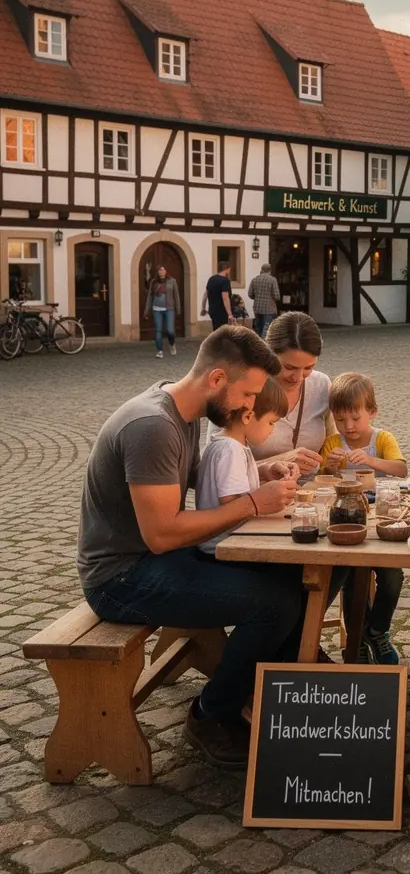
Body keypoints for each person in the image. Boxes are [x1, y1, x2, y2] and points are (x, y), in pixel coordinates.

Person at [77, 326, 301, 768]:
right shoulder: (153, 426)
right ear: (217, 379)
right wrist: (253, 503)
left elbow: (188, 474)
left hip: (155, 559)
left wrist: (260, 471)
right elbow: (161, 533)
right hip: (121, 578)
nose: (247, 406)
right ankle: (210, 716)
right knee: (275, 604)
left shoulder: (182, 409)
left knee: (289, 577)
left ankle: (270, 689)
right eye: (247, 393)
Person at [321, 372, 408, 664]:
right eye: (341, 420)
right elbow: (320, 481)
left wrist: (371, 460)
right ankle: (356, 640)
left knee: (392, 576)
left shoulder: (382, 438)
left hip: (382, 521)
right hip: (348, 520)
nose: (349, 427)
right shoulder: (333, 442)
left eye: (355, 419)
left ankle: (377, 630)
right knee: (350, 576)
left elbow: (400, 470)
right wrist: (329, 468)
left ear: (371, 412)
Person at [196, 376, 291, 555]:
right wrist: (267, 498)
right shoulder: (231, 450)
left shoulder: (229, 445)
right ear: (248, 416)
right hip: (224, 547)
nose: (272, 430)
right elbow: (232, 506)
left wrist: (263, 472)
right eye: (271, 423)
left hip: (230, 542)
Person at [233, 312, 335, 476]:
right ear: (269, 352)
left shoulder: (322, 385)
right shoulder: (242, 388)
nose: (299, 378)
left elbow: (335, 444)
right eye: (289, 367)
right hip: (254, 495)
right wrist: (281, 461)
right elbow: (216, 468)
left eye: (309, 368)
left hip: (313, 496)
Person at [143, 264, 182, 359]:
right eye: (160, 270)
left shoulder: (172, 281)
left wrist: (178, 308)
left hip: (169, 309)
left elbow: (176, 295)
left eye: (163, 270)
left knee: (170, 331)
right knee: (158, 330)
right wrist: (147, 309)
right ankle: (159, 351)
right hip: (157, 309)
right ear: (157, 272)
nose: (161, 272)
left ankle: (172, 344)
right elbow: (150, 296)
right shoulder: (153, 282)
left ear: (166, 271)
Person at [248, 263, 281, 338]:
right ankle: (264, 345)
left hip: (257, 308)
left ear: (261, 270)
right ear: (270, 270)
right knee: (266, 329)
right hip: (269, 309)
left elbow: (250, 294)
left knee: (258, 327)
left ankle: (257, 344)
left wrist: (257, 297)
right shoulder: (272, 280)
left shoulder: (255, 279)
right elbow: (277, 296)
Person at [201, 260, 233, 330]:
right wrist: (230, 314)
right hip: (221, 311)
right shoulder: (225, 280)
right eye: (229, 269)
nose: (229, 271)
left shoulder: (211, 279)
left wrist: (203, 308)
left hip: (212, 310)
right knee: (222, 332)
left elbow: (205, 295)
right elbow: (225, 298)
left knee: (216, 330)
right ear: (226, 269)